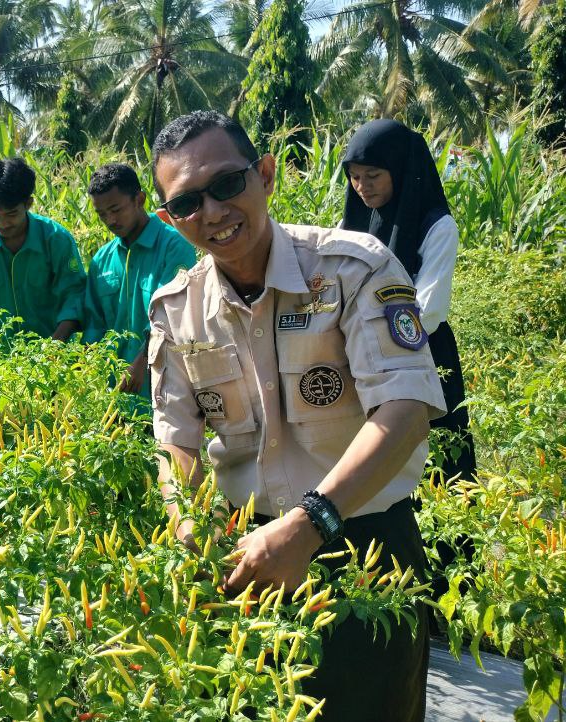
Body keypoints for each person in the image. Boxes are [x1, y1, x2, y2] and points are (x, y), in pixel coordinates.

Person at [146, 111, 446, 721]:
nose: (213, 213)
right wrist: (187, 525)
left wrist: (311, 524)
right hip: (246, 554)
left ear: (265, 175)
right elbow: (176, 442)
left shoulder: (353, 268)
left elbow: (406, 407)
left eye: (228, 185)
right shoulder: (176, 311)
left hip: (363, 549)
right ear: (168, 219)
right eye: (186, 203)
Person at [341, 119, 476, 484]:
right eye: (354, 176)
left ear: (400, 171)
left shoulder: (437, 226)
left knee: (438, 468)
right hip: (363, 358)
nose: (362, 187)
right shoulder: (355, 218)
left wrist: (366, 332)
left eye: (373, 175)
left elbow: (426, 311)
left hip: (423, 356)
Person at [83, 162, 197, 398]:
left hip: (166, 387)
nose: (110, 220)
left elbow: (172, 313)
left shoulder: (174, 246)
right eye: (102, 214)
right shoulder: (101, 260)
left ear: (140, 199)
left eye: (116, 209)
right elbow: (94, 324)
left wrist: (144, 360)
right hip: (114, 394)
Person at [0, 157, 87, 342]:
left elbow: (74, 295)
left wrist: (54, 348)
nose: (2, 223)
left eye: (11, 214)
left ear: (28, 204)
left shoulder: (56, 239)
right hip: (1, 361)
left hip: (56, 356)